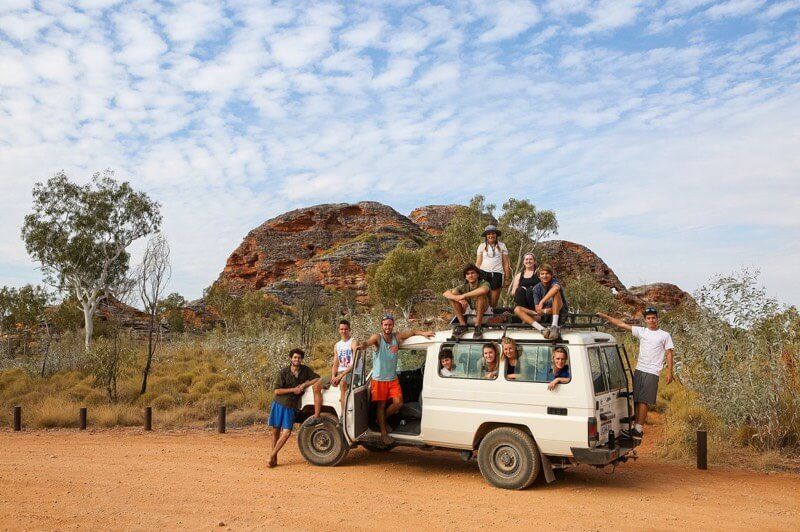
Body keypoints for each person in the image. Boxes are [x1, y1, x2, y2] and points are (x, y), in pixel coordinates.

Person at [597, 307, 674, 441]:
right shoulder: (642, 331)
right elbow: (621, 324)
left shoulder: (664, 335)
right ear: (645, 320)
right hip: (639, 369)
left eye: (653, 318)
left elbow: (669, 353)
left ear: (657, 319)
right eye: (648, 318)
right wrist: (605, 315)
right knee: (637, 399)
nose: (651, 320)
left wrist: (669, 372)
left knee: (644, 400)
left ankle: (639, 429)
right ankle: (635, 427)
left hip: (652, 371)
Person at [361, 315, 434, 445]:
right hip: (379, 380)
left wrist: (424, 333)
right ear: (381, 326)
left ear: (393, 325)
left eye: (390, 325)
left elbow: (412, 332)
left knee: (398, 403)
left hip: (392, 379)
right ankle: (384, 433)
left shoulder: (397, 337)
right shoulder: (378, 338)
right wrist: (362, 345)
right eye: (385, 325)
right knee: (381, 405)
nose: (388, 327)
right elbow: (368, 342)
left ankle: (380, 420)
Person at [267, 348, 320, 468]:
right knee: (275, 431)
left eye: (299, 358)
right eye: (295, 357)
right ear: (291, 358)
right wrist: (293, 390)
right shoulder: (284, 372)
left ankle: (271, 455)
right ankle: (274, 459)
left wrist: (305, 384)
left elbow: (317, 378)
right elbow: (277, 391)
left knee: (286, 432)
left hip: (291, 406)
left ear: (301, 359)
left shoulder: (305, 370)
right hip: (279, 404)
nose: (297, 359)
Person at [309, 319, 358, 425]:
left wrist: (339, 376)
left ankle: (343, 417)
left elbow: (353, 364)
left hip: (351, 372)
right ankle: (317, 416)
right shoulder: (337, 345)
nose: (343, 331)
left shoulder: (353, 342)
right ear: (338, 330)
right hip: (340, 371)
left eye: (346, 329)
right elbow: (335, 363)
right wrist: (333, 376)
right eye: (341, 329)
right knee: (316, 386)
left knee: (343, 383)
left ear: (349, 330)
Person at [443, 264, 491, 339]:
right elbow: (446, 293)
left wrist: (463, 296)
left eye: (472, 273)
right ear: (465, 277)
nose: (470, 275)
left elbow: (484, 290)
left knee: (481, 295)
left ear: (477, 275)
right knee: (453, 294)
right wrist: (456, 298)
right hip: (470, 313)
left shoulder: (483, 283)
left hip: (484, 313)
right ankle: (463, 325)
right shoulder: (464, 286)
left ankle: (478, 327)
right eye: (468, 274)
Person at [476, 225, 510, 308]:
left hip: (497, 274)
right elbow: (478, 263)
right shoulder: (481, 246)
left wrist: (507, 279)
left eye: (493, 233)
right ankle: (483, 318)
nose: (491, 236)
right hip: (483, 273)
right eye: (488, 234)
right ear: (486, 236)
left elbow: (506, 263)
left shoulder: (502, 246)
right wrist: (475, 276)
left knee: (494, 301)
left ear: (496, 235)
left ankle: (492, 318)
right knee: (483, 299)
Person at [510, 253, 546, 333]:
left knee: (531, 290)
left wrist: (532, 289)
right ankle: (526, 316)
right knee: (520, 290)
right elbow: (513, 292)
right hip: (522, 302)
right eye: (526, 259)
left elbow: (545, 289)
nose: (528, 261)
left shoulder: (539, 274)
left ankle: (533, 315)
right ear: (523, 262)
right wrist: (523, 289)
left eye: (530, 259)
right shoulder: (519, 275)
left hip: (536, 302)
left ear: (534, 261)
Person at [533, 264, 569, 340]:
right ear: (539, 276)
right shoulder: (536, 288)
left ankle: (554, 326)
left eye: (547, 274)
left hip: (561, 314)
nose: (545, 276)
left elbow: (556, 288)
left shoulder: (554, 282)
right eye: (542, 274)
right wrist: (547, 310)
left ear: (551, 275)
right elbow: (538, 310)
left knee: (556, 292)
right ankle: (548, 327)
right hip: (547, 316)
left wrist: (542, 301)